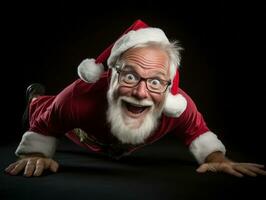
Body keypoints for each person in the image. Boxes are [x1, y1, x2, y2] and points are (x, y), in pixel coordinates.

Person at [5, 19, 266, 178]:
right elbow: (45, 127)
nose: (141, 93)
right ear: (112, 75)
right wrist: (36, 153)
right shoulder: (78, 97)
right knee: (42, 110)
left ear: (167, 85)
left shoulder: (177, 107)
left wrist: (217, 160)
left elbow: (199, 133)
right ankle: (35, 96)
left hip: (111, 143)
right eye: (130, 77)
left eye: (154, 81)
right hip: (82, 132)